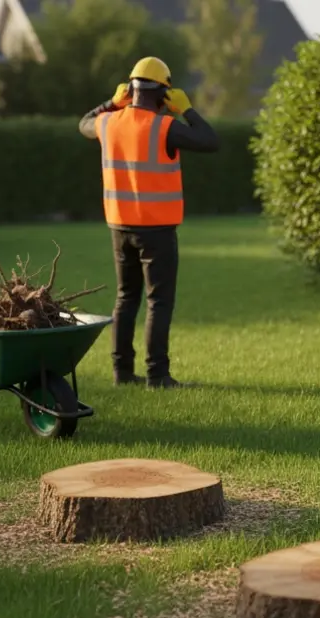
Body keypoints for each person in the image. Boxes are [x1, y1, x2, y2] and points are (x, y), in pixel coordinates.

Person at [78, 56, 219, 389]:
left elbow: (83, 123)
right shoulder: (165, 127)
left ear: (131, 90)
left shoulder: (108, 122)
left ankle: (122, 373)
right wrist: (186, 110)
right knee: (159, 301)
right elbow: (210, 141)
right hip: (156, 231)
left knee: (126, 298)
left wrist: (110, 103)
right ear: (163, 95)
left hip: (119, 228)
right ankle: (158, 375)